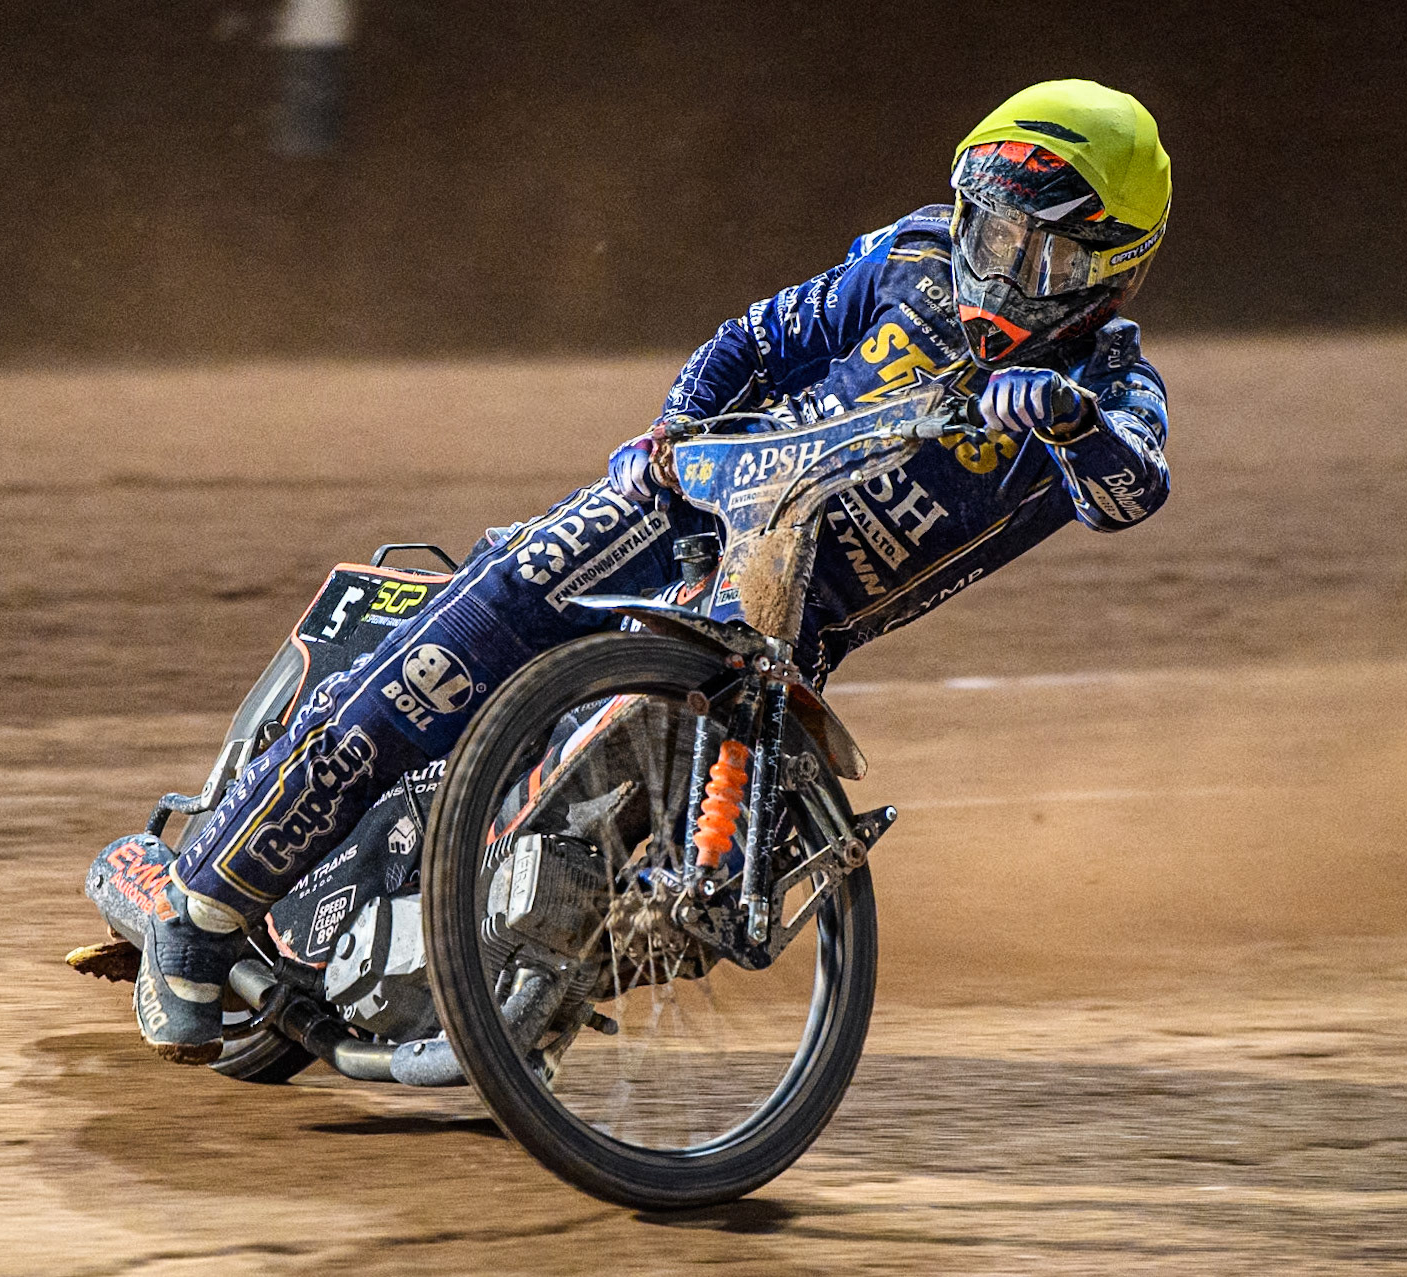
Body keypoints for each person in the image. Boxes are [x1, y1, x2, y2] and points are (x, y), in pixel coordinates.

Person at [132, 79, 1174, 1063]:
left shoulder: (1112, 384)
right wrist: (671, 432)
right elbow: (754, 341)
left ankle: (518, 1006)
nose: (996, 267)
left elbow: (1132, 488)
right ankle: (202, 906)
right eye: (987, 233)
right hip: (676, 513)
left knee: (712, 886)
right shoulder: (909, 265)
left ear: (1112, 268)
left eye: (1035, 252)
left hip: (788, 628)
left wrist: (1070, 420)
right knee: (439, 667)